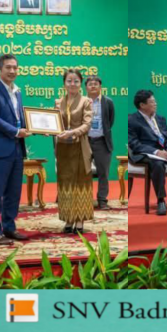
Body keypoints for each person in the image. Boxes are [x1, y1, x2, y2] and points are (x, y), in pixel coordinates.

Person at [0, 54, 31, 245]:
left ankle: (9, 227)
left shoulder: (17, 92)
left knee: (13, 192)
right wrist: (16, 132)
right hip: (0, 149)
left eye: (15, 68)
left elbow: (19, 118)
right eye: (8, 67)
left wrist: (36, 128)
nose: (12, 71)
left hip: (17, 149)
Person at [55, 70, 94, 234]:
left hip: (80, 146)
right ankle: (68, 219)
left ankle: (79, 220)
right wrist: (48, 130)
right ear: (64, 83)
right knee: (66, 182)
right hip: (63, 147)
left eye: (76, 81)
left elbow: (87, 124)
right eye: (69, 81)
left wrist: (72, 132)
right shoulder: (58, 102)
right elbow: (55, 123)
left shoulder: (86, 101)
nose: (72, 84)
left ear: (80, 84)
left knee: (81, 182)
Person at [85, 75, 115, 210]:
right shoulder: (81, 102)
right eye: (90, 84)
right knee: (83, 172)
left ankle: (102, 200)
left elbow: (110, 121)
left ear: (100, 87)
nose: (93, 86)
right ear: (86, 87)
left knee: (103, 173)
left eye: (96, 84)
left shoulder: (108, 102)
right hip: (85, 141)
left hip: (102, 141)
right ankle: (85, 199)